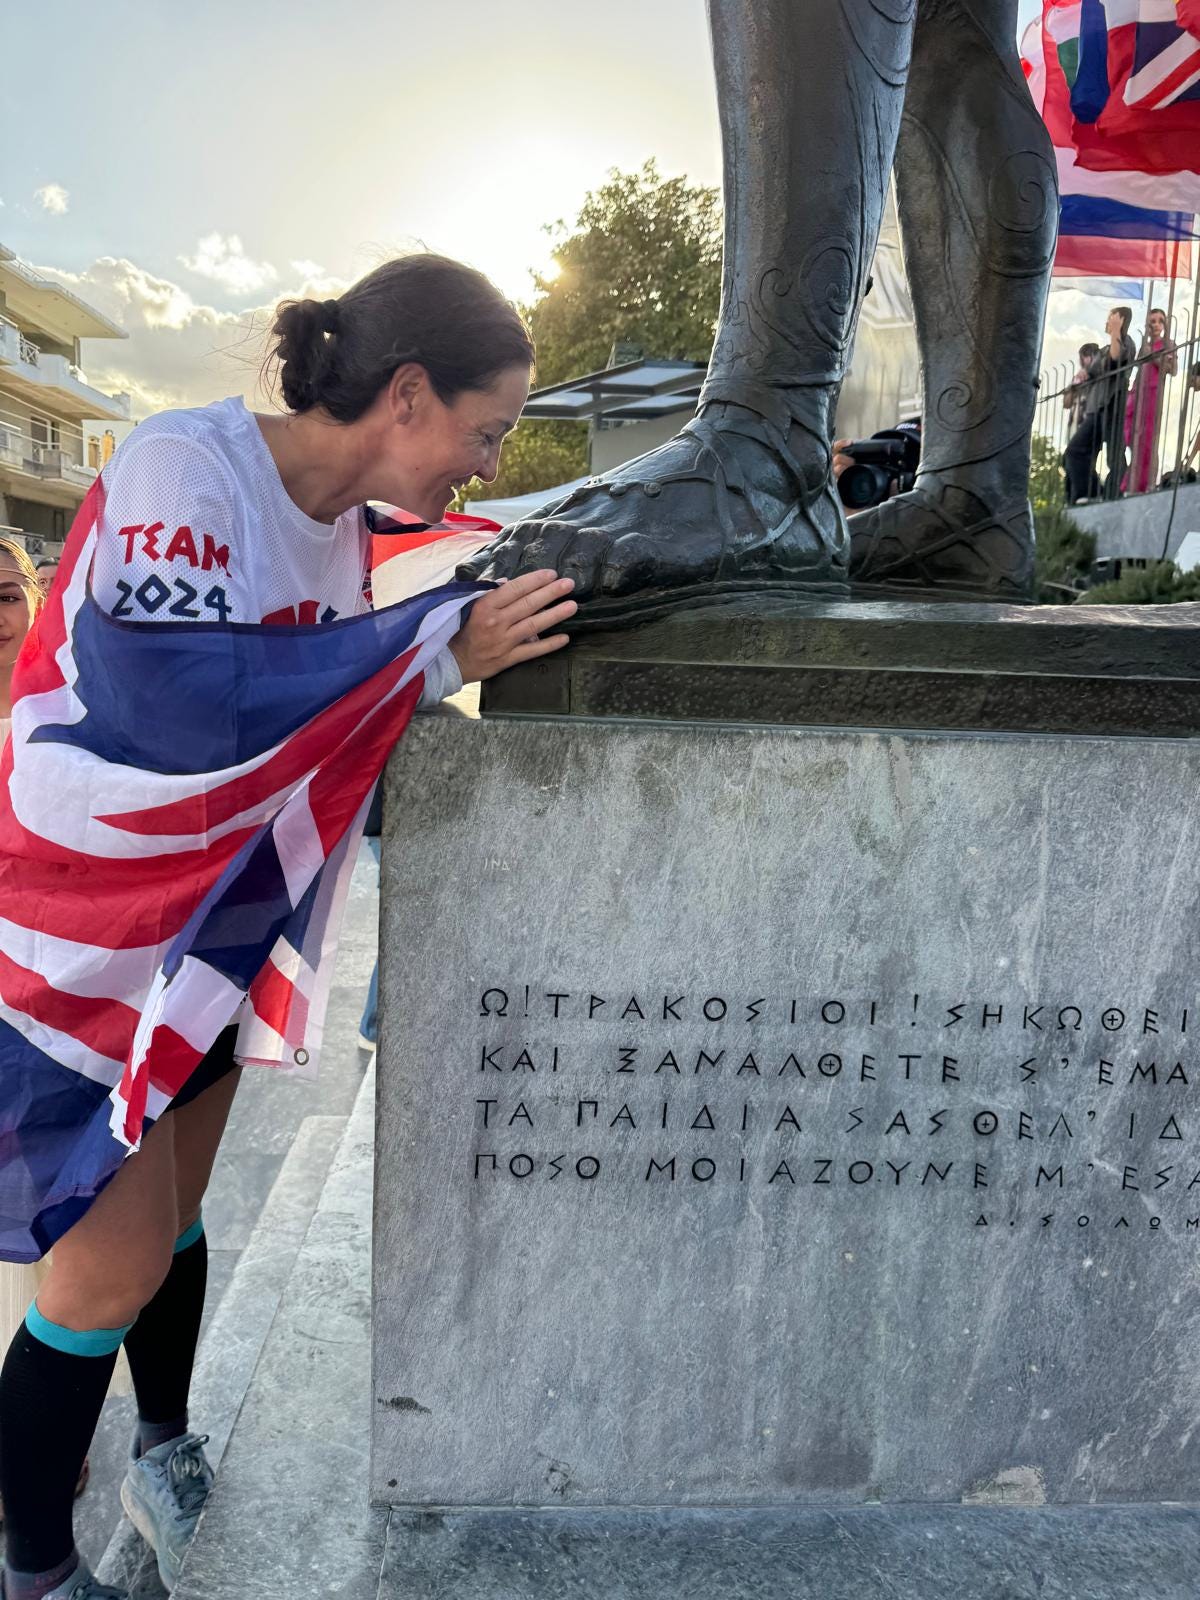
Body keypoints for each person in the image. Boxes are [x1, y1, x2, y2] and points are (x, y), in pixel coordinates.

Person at [0, 252, 576, 1600]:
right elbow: (183, 703)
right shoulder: (182, 465)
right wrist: (434, 646)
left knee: (178, 1218)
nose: (487, 464)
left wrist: (440, 635)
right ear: (407, 393)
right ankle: (35, 1570)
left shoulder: (349, 527)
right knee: (102, 1274)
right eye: (485, 430)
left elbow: (314, 706)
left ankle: (161, 1449)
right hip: (85, 925)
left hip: (208, 922)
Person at [1063, 306, 1138, 504]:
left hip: (1112, 404)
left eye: (1110, 318)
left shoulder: (1126, 342)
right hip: (1095, 409)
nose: (1107, 322)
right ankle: (1092, 491)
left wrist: (1116, 331)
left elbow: (1115, 360)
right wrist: (1084, 374)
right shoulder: (1103, 350)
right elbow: (1093, 371)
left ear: (1120, 319)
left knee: (1114, 455)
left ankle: (1114, 494)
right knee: (1075, 450)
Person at [1123, 308, 1178, 494]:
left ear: (1164, 324)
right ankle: (1134, 481)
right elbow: (1138, 368)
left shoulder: (1168, 344)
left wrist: (1152, 355)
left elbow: (1172, 370)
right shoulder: (1144, 345)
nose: (1155, 325)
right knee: (1133, 437)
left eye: (1159, 321)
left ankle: (1148, 484)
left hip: (1154, 393)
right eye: (1152, 321)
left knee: (1149, 440)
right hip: (1137, 394)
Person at [1064, 343, 1100, 432]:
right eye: (1083, 356)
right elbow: (1066, 404)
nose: (1084, 359)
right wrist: (1074, 387)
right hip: (1074, 423)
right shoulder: (1077, 378)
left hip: (1090, 423)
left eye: (1088, 355)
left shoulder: (1101, 377)